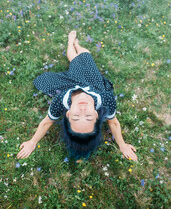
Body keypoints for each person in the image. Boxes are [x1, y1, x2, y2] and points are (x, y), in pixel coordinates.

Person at [17, 31, 138, 161]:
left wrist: (32, 142)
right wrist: (122, 145)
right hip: (94, 81)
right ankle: (78, 45)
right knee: (86, 56)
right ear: (96, 115)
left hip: (73, 81)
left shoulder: (60, 100)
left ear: (68, 114)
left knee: (74, 60)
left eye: (76, 117)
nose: (82, 110)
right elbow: (113, 123)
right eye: (88, 117)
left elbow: (47, 122)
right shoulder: (106, 99)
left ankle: (72, 43)